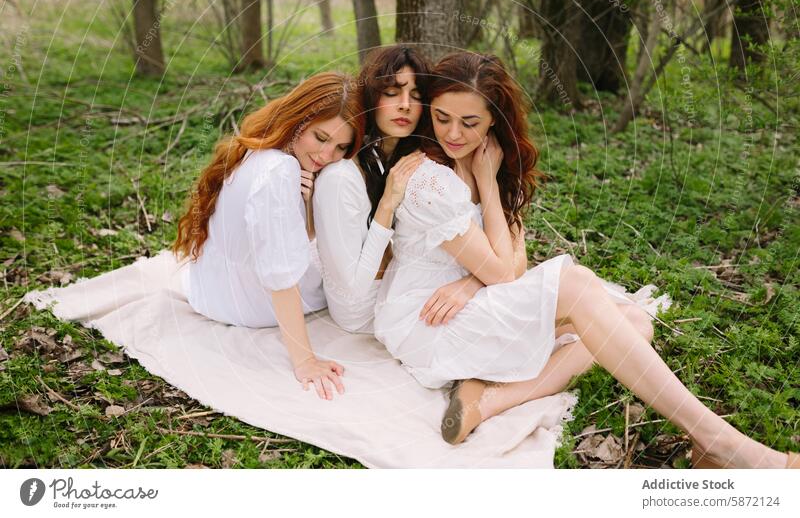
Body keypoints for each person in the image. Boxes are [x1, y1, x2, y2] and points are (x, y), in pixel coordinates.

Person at [373, 52, 798, 469]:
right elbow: (504, 273)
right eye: (442, 117)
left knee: (636, 322)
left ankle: (488, 400)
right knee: (575, 287)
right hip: (428, 319)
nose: (453, 133)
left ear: (493, 123)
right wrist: (484, 195)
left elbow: (514, 266)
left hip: (471, 302)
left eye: (470, 122)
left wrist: (481, 230)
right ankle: (718, 442)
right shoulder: (429, 178)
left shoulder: (490, 162)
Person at [172, 72, 363, 401]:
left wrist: (305, 202)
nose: (326, 155)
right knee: (349, 270)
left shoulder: (258, 147)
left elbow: (278, 238)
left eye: (341, 147)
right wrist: (305, 360)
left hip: (209, 292)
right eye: (320, 137)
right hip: (249, 305)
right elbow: (280, 274)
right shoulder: (280, 171)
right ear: (299, 120)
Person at [314, 45, 484, 333]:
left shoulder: (415, 158)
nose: (405, 104)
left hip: (409, 284)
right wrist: (386, 206)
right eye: (392, 93)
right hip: (365, 309)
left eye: (416, 96)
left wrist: (473, 281)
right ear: (372, 97)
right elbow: (353, 289)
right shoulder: (341, 177)